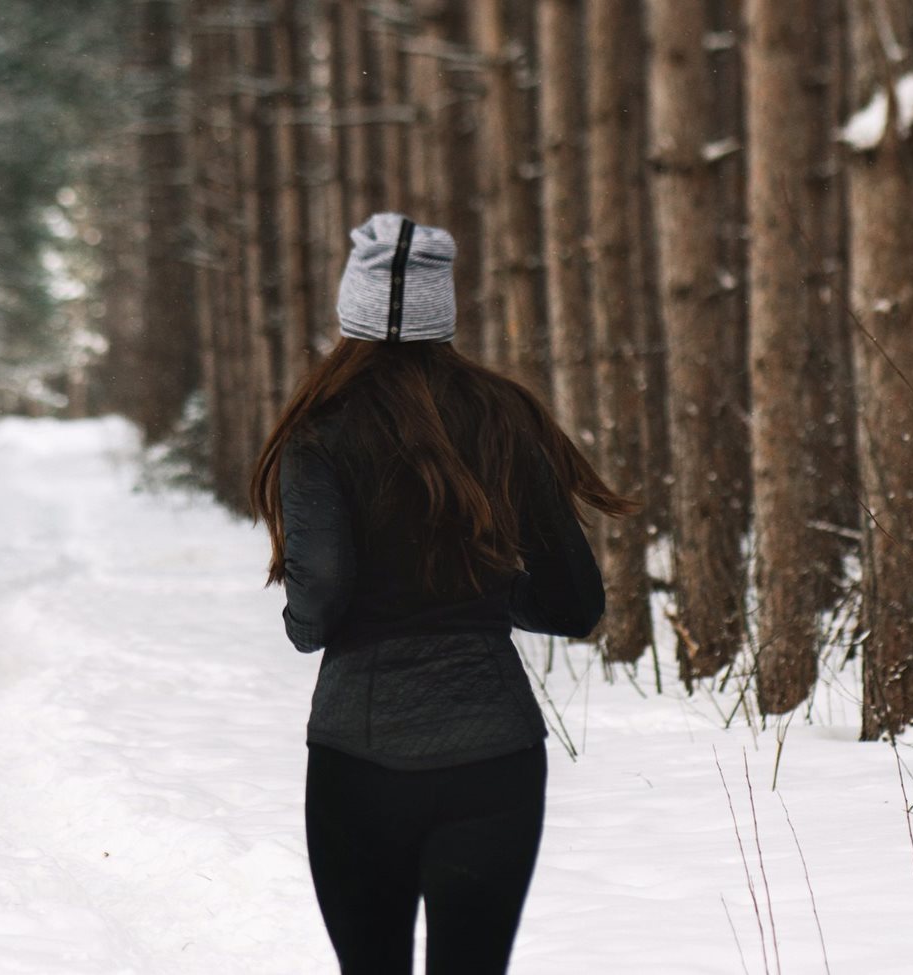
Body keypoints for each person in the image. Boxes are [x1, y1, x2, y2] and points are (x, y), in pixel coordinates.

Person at [249, 213, 638, 974]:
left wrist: (314, 615)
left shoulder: (318, 430)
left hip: (356, 755)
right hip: (495, 754)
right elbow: (572, 604)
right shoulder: (504, 414)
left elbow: (317, 608)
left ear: (351, 309)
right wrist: (479, 595)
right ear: (441, 310)